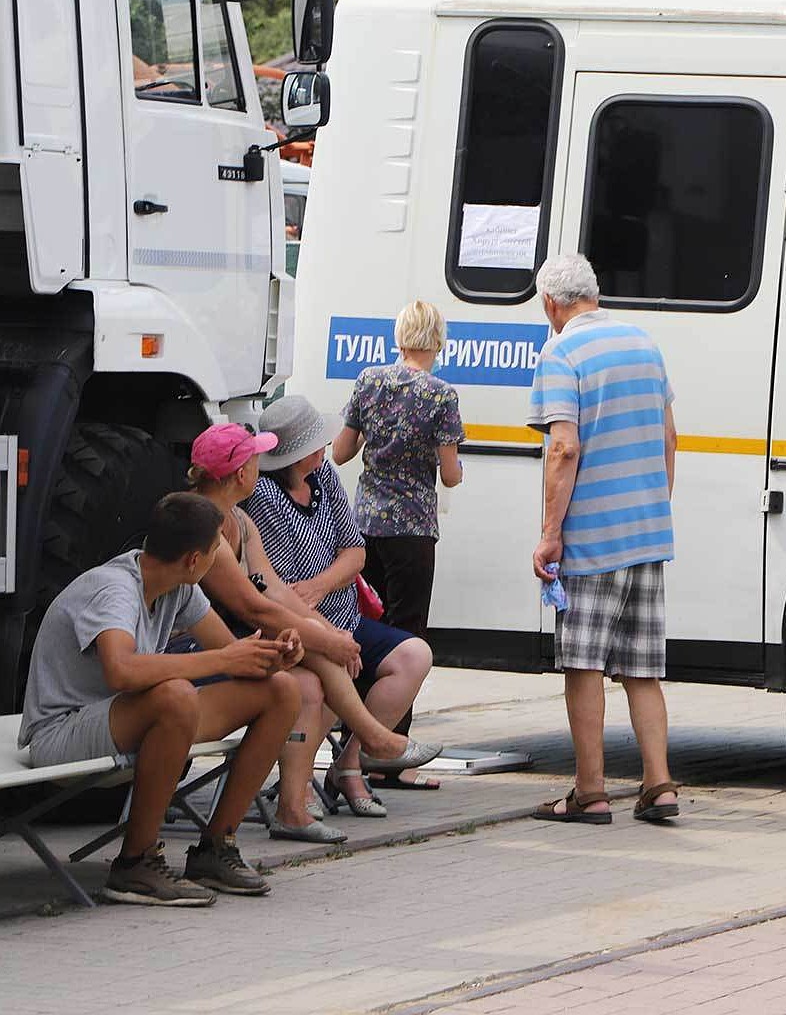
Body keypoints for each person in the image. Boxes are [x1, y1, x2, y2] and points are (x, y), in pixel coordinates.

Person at [19, 492, 303, 905]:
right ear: (193, 560)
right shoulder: (114, 589)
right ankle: (135, 862)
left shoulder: (179, 588)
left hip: (127, 718)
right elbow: (122, 670)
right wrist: (222, 659)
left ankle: (215, 849)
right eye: (214, 554)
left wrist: (276, 657)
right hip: (61, 734)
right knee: (175, 696)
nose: (216, 562)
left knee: (281, 692)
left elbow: (233, 659)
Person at [190, 421, 440, 827]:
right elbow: (258, 607)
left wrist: (325, 633)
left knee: (326, 660)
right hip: (206, 646)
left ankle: (326, 780)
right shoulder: (207, 528)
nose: (261, 465)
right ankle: (347, 760)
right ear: (241, 473)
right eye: (255, 458)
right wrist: (326, 638)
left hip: (246, 634)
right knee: (311, 676)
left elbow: (276, 594)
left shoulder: (239, 519)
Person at [527, 254, 680, 825]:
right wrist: (654, 506)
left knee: (584, 664)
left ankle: (589, 791)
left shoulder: (560, 352)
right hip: (646, 534)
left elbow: (563, 448)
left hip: (591, 540)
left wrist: (549, 534)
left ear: (551, 304)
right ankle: (659, 785)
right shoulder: (644, 343)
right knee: (643, 669)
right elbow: (669, 437)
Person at [333, 300, 464, 790]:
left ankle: (351, 730)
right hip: (412, 530)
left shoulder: (369, 381)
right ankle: (390, 754)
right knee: (406, 638)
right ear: (438, 340)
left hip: (362, 527)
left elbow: (342, 452)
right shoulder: (442, 395)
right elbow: (449, 476)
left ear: (400, 335)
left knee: (360, 628)